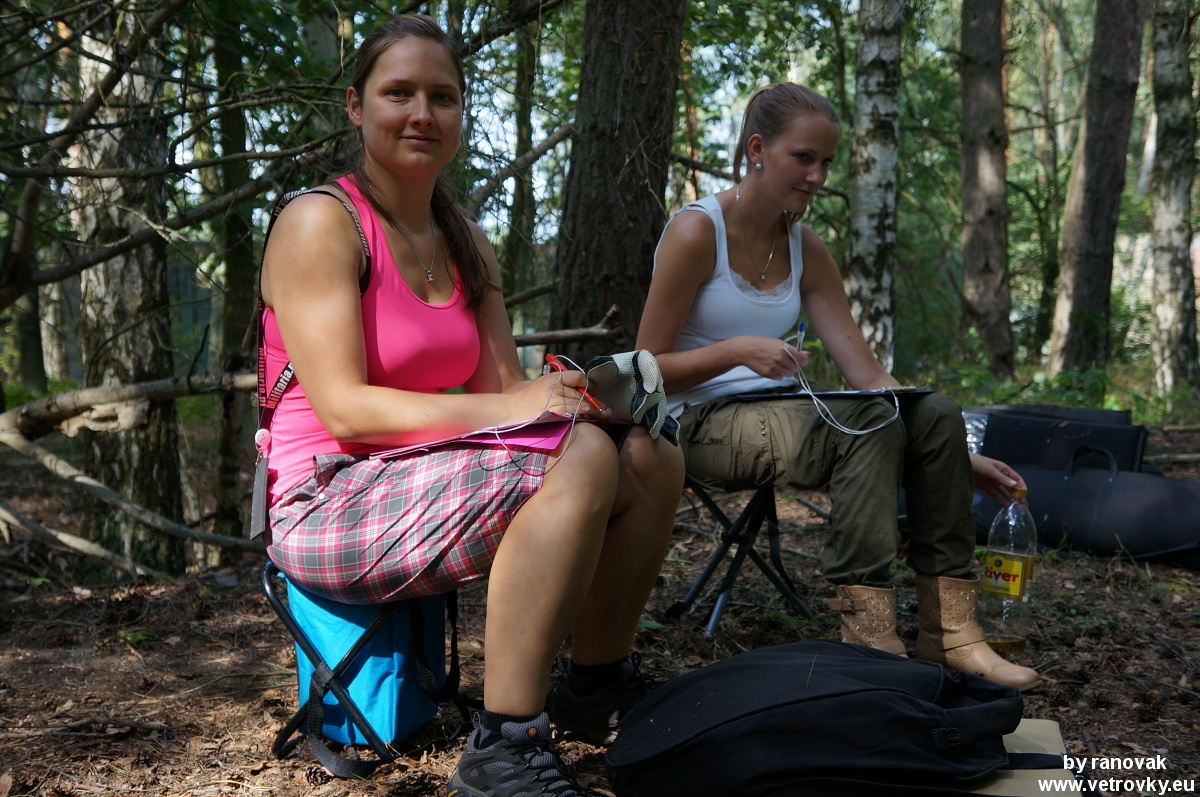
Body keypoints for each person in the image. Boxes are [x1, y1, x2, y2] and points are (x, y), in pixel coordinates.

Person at [259, 15, 684, 796]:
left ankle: (593, 687)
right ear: (355, 105)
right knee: (576, 456)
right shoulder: (320, 222)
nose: (421, 113)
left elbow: (505, 401)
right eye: (398, 93)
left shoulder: (464, 241)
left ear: (461, 112)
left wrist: (576, 399)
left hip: (415, 482)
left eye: (443, 96)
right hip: (326, 502)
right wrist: (526, 410)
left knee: (650, 454)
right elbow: (347, 412)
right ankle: (504, 746)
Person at [635, 82, 1039, 691]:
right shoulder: (698, 232)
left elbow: (868, 375)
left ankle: (952, 633)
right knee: (866, 422)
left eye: (826, 162)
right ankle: (868, 637)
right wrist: (736, 351)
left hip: (779, 414)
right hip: (691, 423)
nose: (818, 176)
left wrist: (958, 454)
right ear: (757, 150)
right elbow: (645, 370)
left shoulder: (805, 247)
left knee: (933, 410)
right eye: (804, 158)